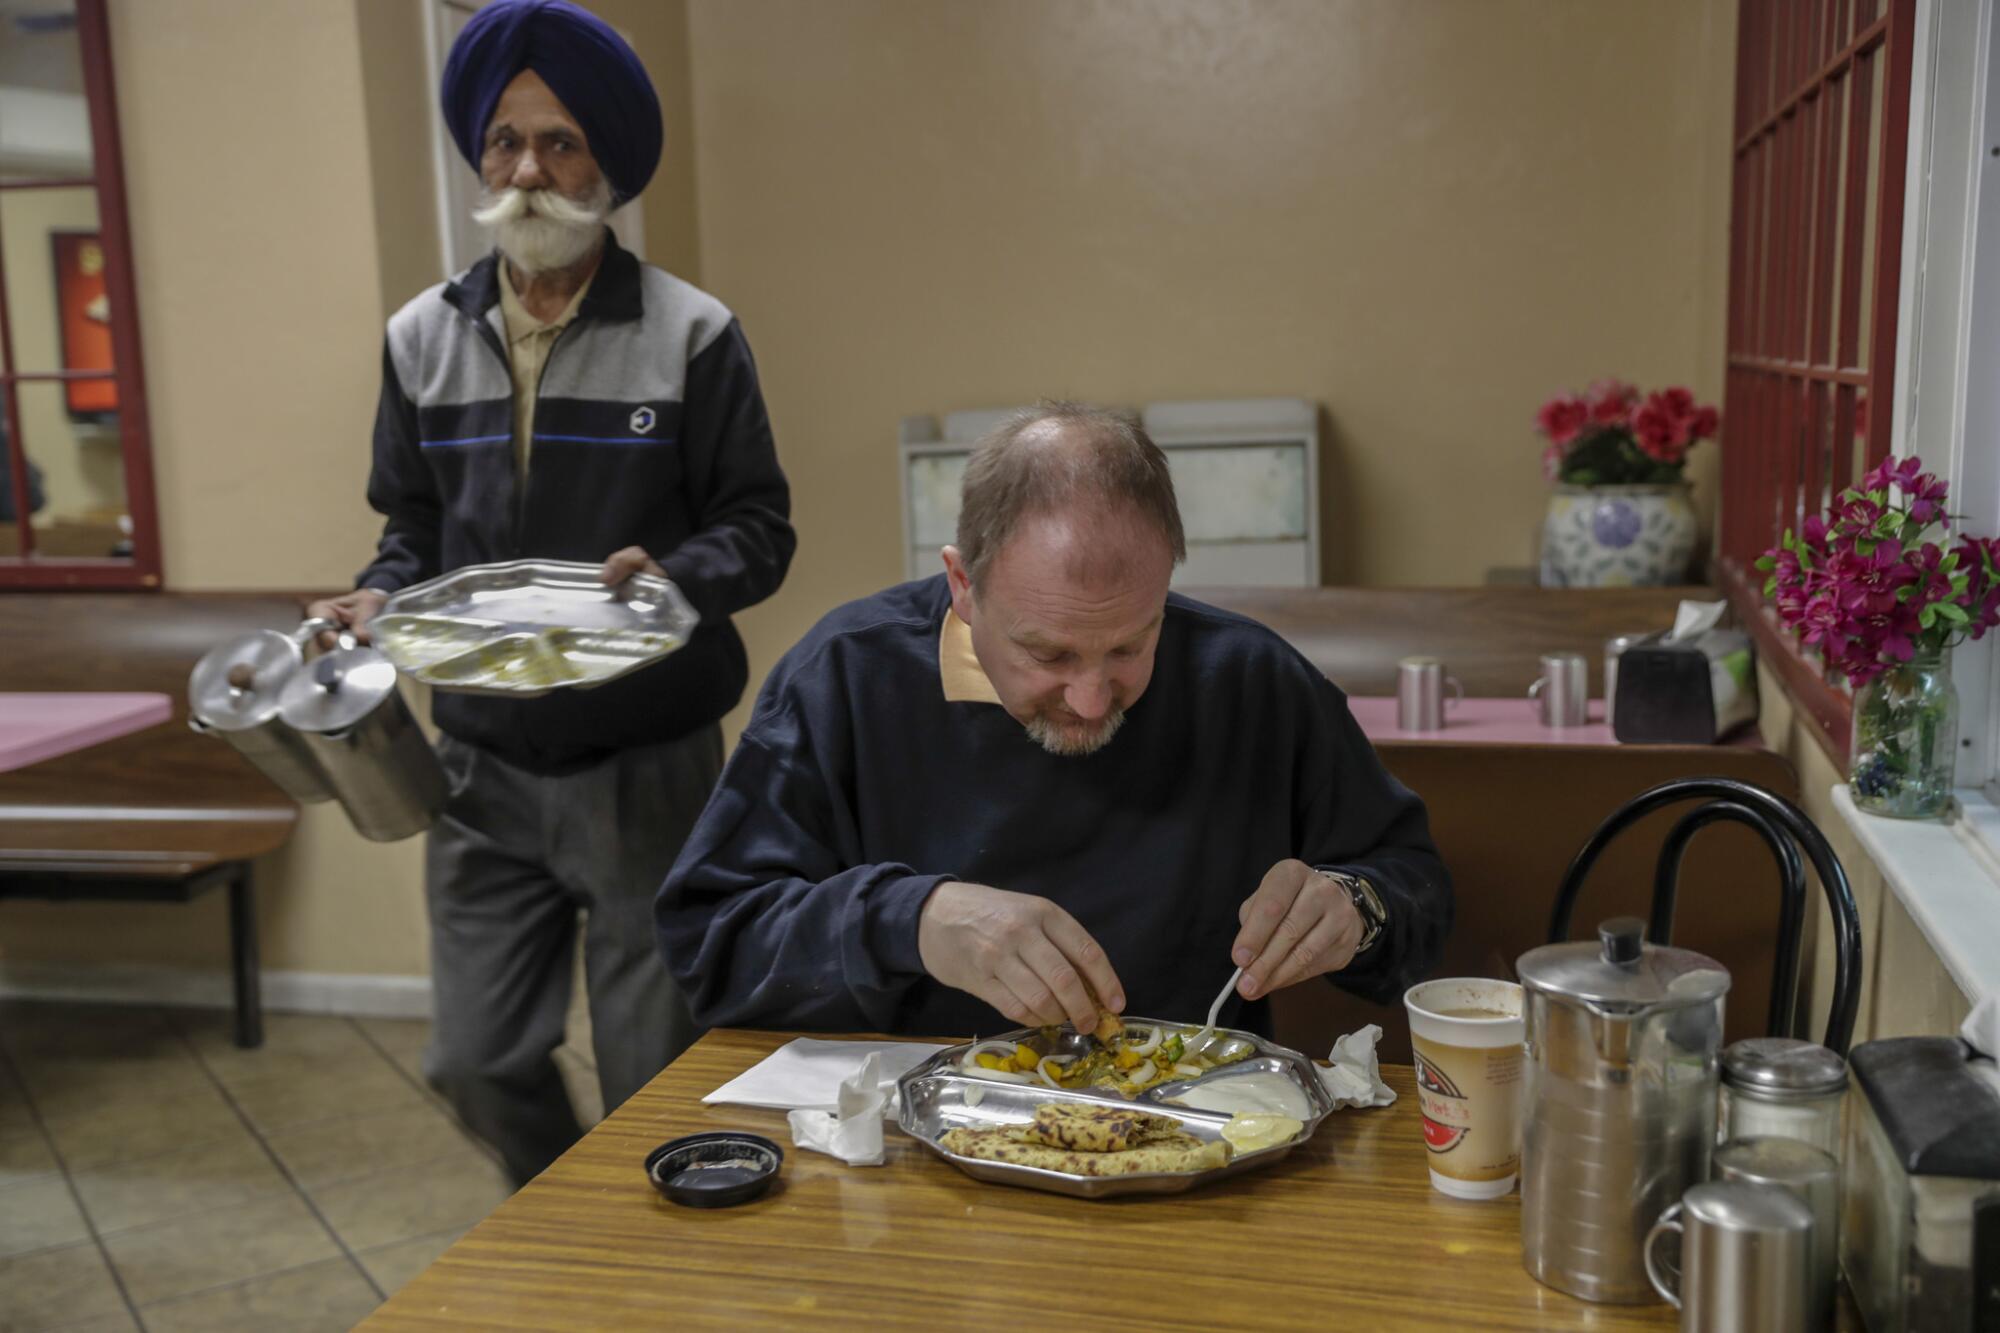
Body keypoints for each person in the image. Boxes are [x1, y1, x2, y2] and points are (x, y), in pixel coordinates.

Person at [310, 0, 793, 1185]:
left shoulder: (692, 333)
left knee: (652, 1076)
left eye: (559, 141)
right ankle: (565, 1207)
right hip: (478, 765)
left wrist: (680, 571)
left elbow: (759, 529)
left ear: (606, 166)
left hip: (646, 762)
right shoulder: (420, 335)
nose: (528, 169)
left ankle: (637, 1272)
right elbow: (411, 525)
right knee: (471, 1060)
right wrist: (381, 595)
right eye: (504, 143)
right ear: (480, 159)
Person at [657, 403, 1446, 1040]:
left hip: (1194, 1130)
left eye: (1131, 645)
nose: (1094, 699)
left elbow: (1415, 883)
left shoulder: (1250, 680)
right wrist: (915, 921)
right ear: (963, 585)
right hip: (908, 1147)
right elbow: (712, 942)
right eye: (1050, 653)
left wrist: (1356, 907)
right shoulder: (847, 676)